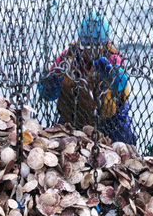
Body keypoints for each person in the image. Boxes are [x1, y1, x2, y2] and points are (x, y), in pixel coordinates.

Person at [39, 12, 137, 145]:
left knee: (123, 148)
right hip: (71, 122)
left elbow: (122, 84)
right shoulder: (67, 57)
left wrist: (111, 75)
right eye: (86, 45)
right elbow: (44, 92)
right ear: (80, 41)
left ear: (106, 43)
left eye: (96, 46)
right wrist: (50, 85)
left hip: (111, 124)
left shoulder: (113, 59)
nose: (90, 51)